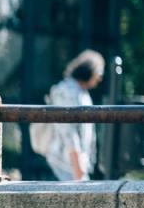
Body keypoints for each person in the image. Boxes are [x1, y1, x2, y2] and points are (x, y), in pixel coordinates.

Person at [30, 49, 105, 180]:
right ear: (90, 70)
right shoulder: (66, 91)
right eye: (99, 72)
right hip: (61, 164)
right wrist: (78, 167)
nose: (100, 77)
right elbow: (68, 131)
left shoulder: (81, 92)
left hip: (73, 165)